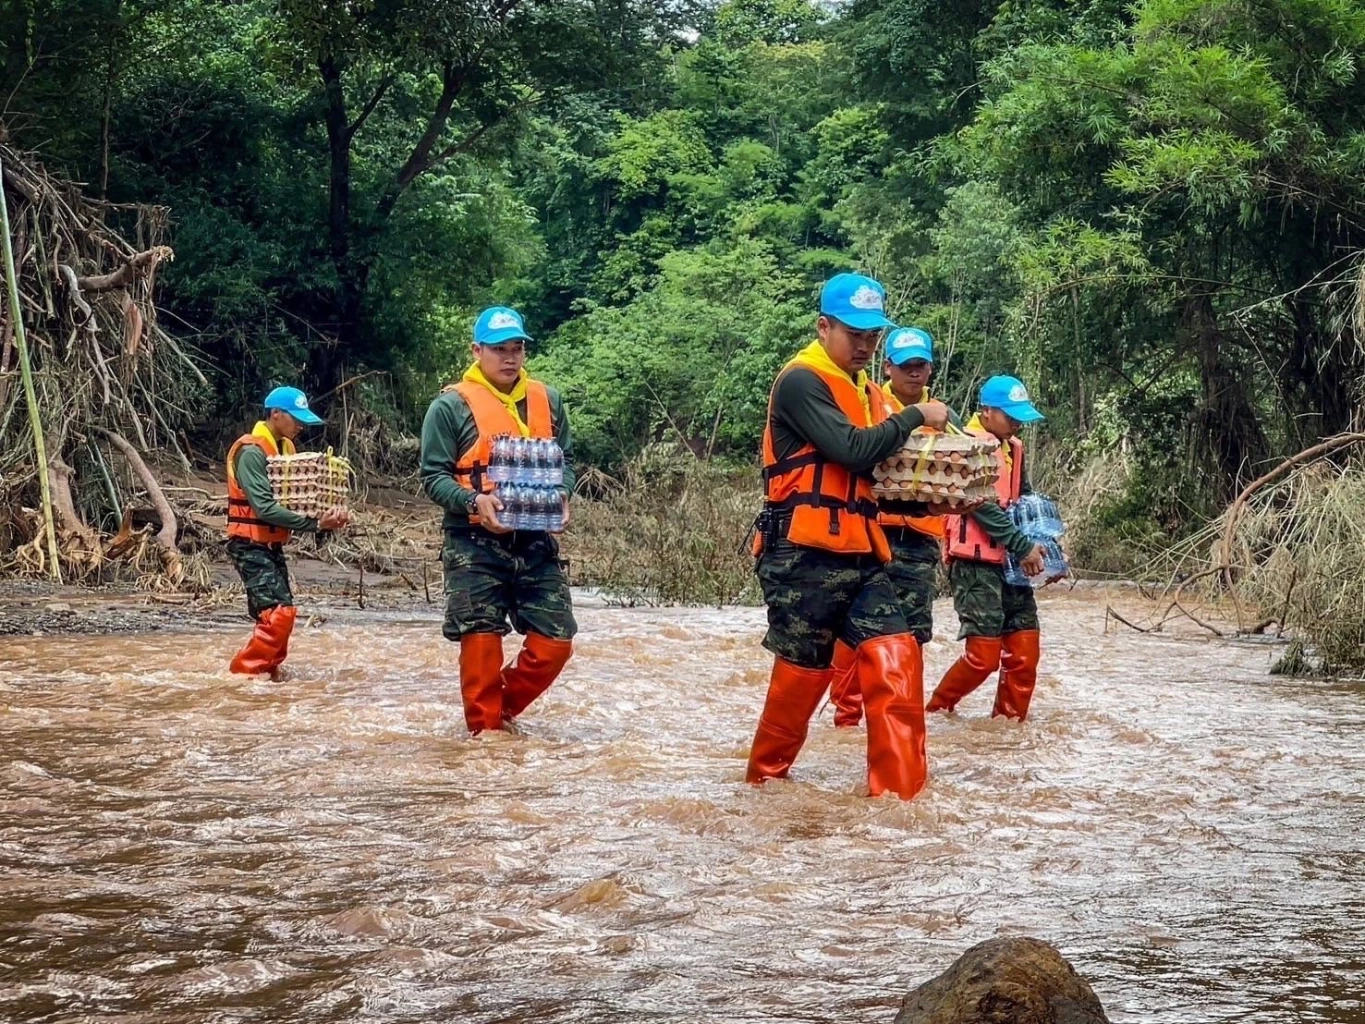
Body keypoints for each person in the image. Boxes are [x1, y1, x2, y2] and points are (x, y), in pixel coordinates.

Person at [746, 273, 951, 799]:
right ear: (824, 326)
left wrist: (932, 501)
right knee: (801, 677)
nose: (863, 344)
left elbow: (871, 483)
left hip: (862, 553)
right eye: (853, 332)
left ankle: (899, 804)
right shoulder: (801, 381)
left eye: (871, 335)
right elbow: (853, 451)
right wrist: (915, 414)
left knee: (898, 656)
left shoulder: (866, 393)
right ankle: (765, 786)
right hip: (802, 556)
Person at [419, 306, 576, 735]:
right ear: (477, 350)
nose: (510, 358)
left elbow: (566, 463)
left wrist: (562, 493)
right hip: (472, 542)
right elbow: (432, 476)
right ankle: (485, 738)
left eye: (517, 348)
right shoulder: (449, 407)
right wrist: (473, 501)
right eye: (499, 349)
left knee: (556, 642)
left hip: (534, 540)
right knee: (481, 638)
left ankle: (497, 709)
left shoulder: (549, 400)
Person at [826, 326, 963, 728]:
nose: (913, 373)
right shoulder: (870, 403)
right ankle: (848, 718)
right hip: (873, 533)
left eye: (919, 365)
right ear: (888, 367)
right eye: (905, 366)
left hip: (919, 540)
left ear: (930, 368)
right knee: (855, 631)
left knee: (913, 634)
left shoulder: (944, 416)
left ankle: (902, 717)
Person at [927, 375, 1047, 721]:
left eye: (1019, 417)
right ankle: (935, 711)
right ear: (986, 411)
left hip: (1011, 563)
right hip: (976, 565)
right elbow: (981, 504)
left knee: (1024, 655)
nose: (1016, 423)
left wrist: (1046, 550)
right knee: (983, 658)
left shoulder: (1015, 449)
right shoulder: (962, 444)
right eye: (1010, 416)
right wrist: (1024, 547)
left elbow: (1025, 503)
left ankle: (1007, 730)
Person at [226, 386, 348, 677]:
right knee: (279, 616)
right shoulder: (251, 452)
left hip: (270, 546)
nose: (300, 425)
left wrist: (330, 514)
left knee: (276, 617)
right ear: (275, 414)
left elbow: (299, 501)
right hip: (248, 545)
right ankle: (242, 676)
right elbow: (265, 508)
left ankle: (266, 677)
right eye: (294, 418)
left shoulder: (287, 449)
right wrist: (317, 525)